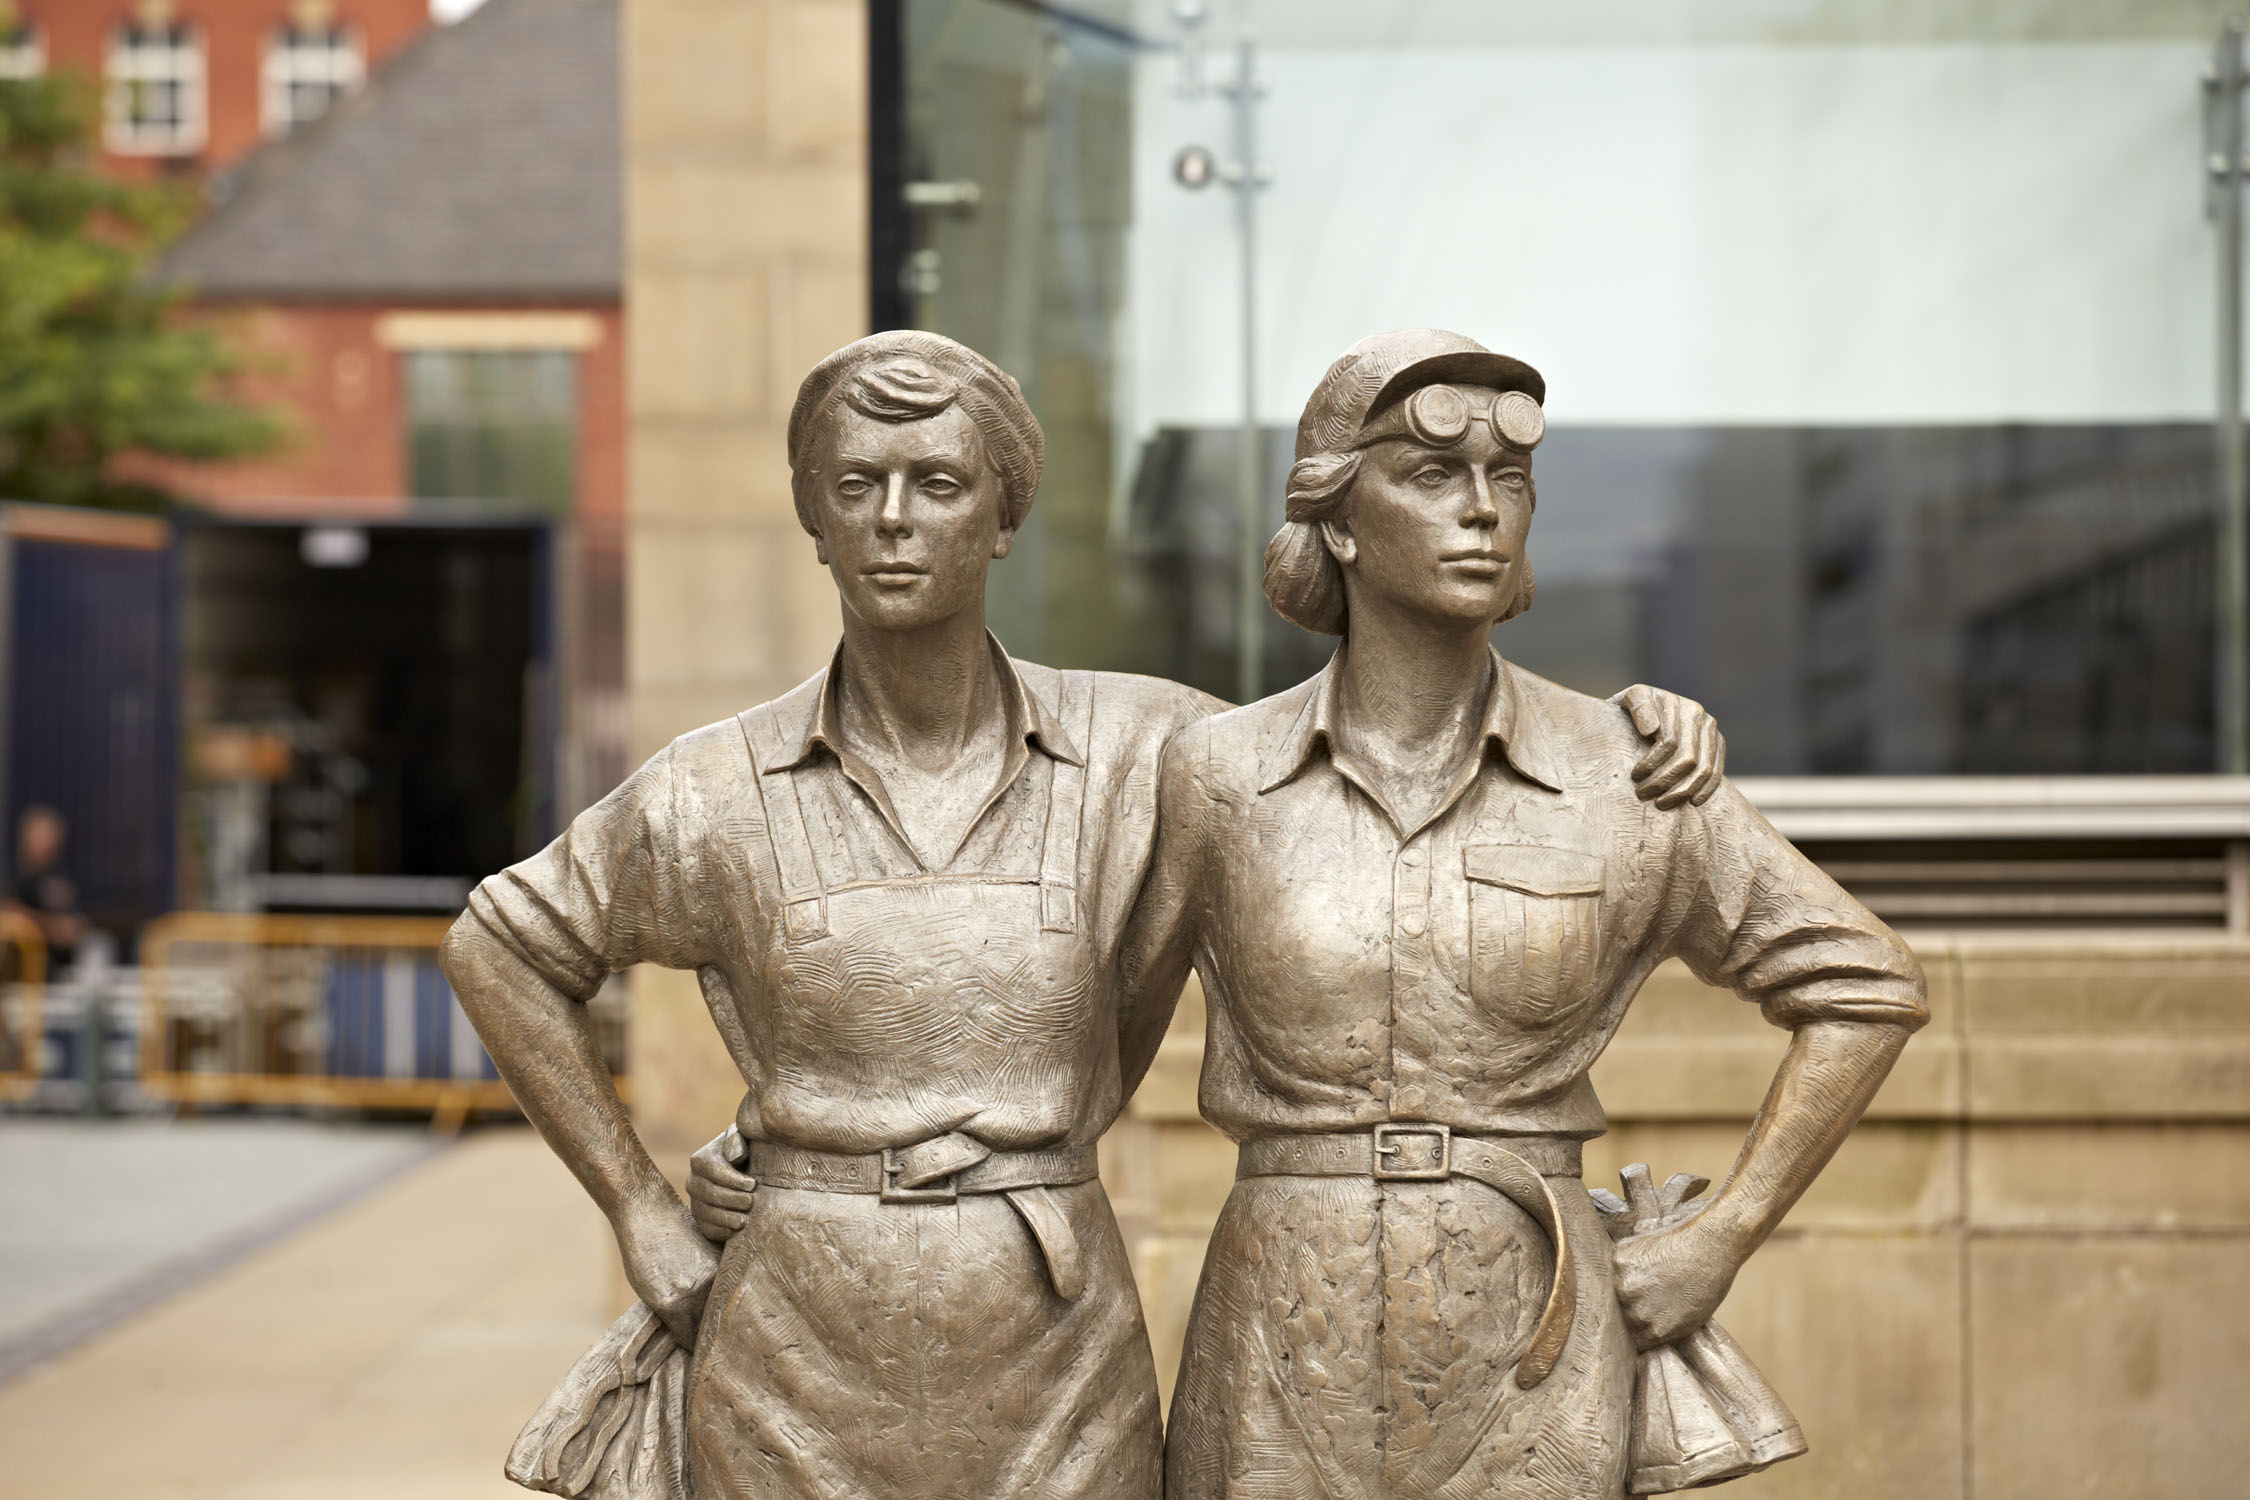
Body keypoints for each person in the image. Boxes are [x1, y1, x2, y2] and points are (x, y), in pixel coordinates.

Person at [448, 331, 1724, 1500]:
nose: (894, 520)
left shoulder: (1150, 748)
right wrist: (638, 1204)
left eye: (940, 484)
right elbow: (499, 945)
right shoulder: (714, 787)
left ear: (1005, 516)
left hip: (1054, 1346)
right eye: (855, 485)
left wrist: (1619, 734)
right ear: (811, 517)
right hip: (792, 1336)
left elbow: (1361, 741)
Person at [1122, 330, 1929, 1499]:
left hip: (1531, 1331)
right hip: (1278, 1324)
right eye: (1432, 475)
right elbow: (1084, 1043)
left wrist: (1723, 1234)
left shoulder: (1625, 775)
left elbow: (1866, 984)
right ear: (1339, 525)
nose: (1483, 510)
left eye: (1510, 479)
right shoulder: (1216, 776)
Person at [9, 805, 87, 967]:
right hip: (23, 969)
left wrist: (72, 929)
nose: (46, 842)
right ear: (26, 837)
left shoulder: (61, 876)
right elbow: (10, 915)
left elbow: (76, 922)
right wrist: (51, 928)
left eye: (51, 835)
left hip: (62, 966)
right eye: (41, 836)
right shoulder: (12, 876)